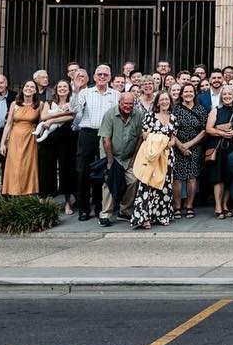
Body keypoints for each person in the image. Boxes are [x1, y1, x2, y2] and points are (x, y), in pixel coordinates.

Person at [72, 65, 119, 222]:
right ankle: (84, 209)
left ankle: (99, 206)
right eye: (99, 74)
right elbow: (75, 111)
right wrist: (77, 90)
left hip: (106, 136)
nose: (102, 76)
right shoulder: (85, 92)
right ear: (94, 76)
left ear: (110, 77)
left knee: (102, 172)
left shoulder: (116, 94)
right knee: (82, 171)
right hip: (87, 134)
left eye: (106, 74)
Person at [130, 91, 176, 229]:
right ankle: (145, 218)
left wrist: (171, 143)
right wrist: (161, 141)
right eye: (161, 99)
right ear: (157, 102)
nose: (164, 102)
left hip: (167, 156)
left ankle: (162, 215)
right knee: (147, 186)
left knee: (164, 186)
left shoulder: (173, 117)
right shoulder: (150, 116)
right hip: (152, 156)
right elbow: (144, 135)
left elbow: (173, 136)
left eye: (166, 99)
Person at [98, 90, 143, 224]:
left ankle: (125, 211)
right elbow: (106, 139)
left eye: (131, 104)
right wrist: (110, 162)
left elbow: (140, 138)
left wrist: (134, 159)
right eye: (125, 104)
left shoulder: (138, 115)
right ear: (119, 103)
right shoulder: (110, 115)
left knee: (133, 180)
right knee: (110, 181)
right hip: (111, 154)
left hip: (128, 156)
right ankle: (105, 214)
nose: (128, 106)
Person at [204, 85, 233, 219]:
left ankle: (225, 205)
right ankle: (218, 207)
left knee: (229, 178)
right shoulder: (215, 110)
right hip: (219, 148)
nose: (227, 97)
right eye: (225, 95)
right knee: (218, 178)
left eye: (230, 94)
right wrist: (222, 133)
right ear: (221, 97)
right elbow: (208, 129)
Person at [36, 78, 77, 213]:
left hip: (67, 138)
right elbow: (43, 117)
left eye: (65, 86)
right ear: (56, 89)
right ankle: (44, 200)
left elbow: (71, 117)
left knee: (67, 169)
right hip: (50, 140)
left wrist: (53, 118)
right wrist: (62, 112)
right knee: (47, 168)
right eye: (60, 87)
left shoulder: (73, 102)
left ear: (69, 89)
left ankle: (67, 203)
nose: (62, 89)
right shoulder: (49, 102)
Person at [170, 81, 207, 219]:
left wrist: (189, 145)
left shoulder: (200, 109)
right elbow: (171, 129)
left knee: (192, 178)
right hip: (177, 146)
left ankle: (190, 206)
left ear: (194, 93)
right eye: (185, 91)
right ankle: (177, 206)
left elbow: (204, 130)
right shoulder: (175, 109)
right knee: (177, 178)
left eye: (191, 91)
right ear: (181, 94)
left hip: (195, 147)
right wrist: (180, 146)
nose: (188, 94)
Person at [0, 79, 41, 196]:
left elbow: (42, 123)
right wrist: (3, 143)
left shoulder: (39, 105)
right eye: (27, 86)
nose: (29, 89)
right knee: (15, 165)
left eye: (32, 87)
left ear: (35, 91)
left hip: (30, 138)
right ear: (23, 88)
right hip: (15, 138)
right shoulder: (15, 104)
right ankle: (14, 191)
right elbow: (8, 124)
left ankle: (28, 192)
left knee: (28, 166)